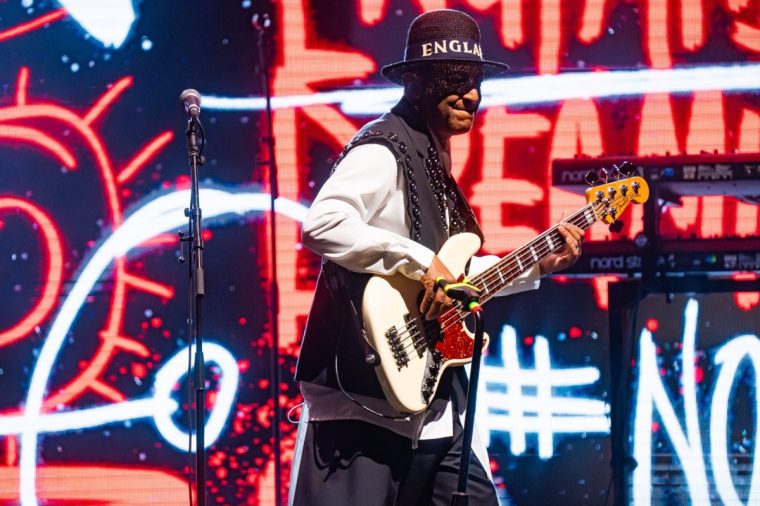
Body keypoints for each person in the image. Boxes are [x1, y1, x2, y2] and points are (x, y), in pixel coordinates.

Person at [289, 9, 584, 506]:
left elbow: (454, 278)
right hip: (365, 411)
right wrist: (416, 260)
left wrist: (536, 263)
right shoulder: (383, 148)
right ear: (419, 82)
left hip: (434, 410)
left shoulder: (432, 157)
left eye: (476, 82)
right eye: (456, 79)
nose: (472, 94)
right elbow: (322, 224)